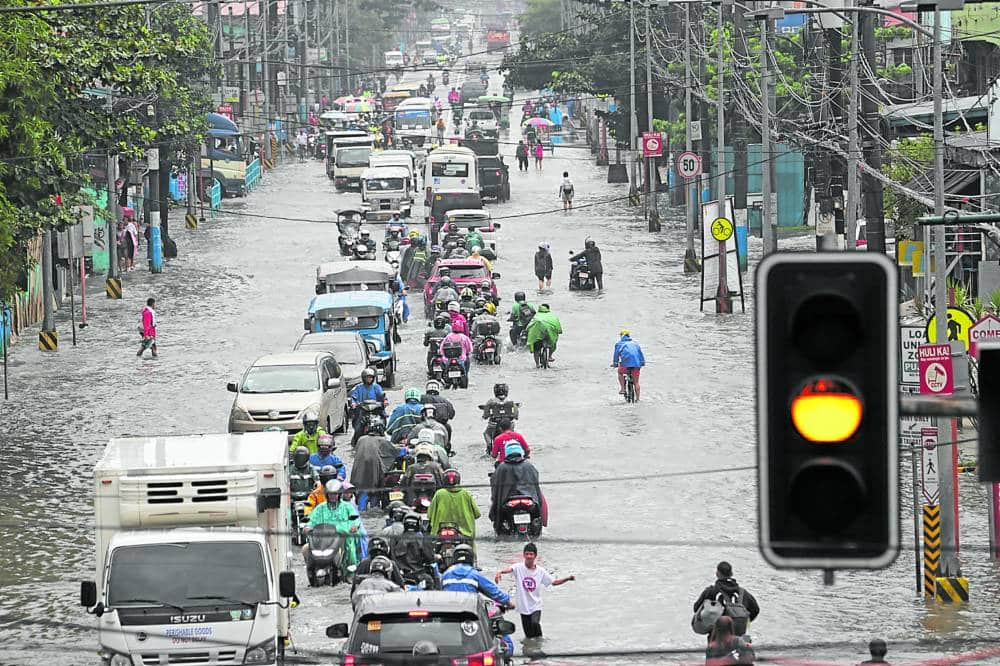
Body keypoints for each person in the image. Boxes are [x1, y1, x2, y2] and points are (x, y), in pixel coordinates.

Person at [495, 543, 574, 639]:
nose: (529, 556)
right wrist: (500, 572)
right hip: (523, 607)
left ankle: (540, 643)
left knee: (535, 623)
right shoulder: (518, 567)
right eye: (527, 554)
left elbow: (554, 582)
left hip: (536, 605)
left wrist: (568, 578)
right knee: (528, 636)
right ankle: (532, 650)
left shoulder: (541, 571)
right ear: (523, 555)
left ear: (535, 556)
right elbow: (509, 569)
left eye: (531, 554)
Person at [303, 480, 364, 578]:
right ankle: (311, 575)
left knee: (350, 550)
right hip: (322, 539)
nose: (333, 496)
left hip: (342, 538)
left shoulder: (347, 507)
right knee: (306, 549)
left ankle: (350, 575)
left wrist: (354, 526)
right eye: (330, 494)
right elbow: (312, 520)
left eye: (335, 494)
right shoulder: (320, 508)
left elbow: (355, 519)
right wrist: (307, 527)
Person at [692, 561, 760, 637]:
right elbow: (756, 610)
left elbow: (696, 608)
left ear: (717, 573)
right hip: (737, 638)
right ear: (731, 574)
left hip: (716, 639)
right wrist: (743, 621)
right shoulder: (743, 593)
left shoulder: (711, 591)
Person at [490, 443, 543, 530]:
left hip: (507, 501)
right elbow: (535, 484)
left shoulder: (501, 468)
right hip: (529, 500)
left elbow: (495, 489)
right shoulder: (529, 466)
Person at [442, 545, 511, 606]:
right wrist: (508, 602)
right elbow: (492, 590)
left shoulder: (446, 574)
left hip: (449, 612)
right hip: (469, 612)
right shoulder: (474, 574)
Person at [428, 469, 480, 539]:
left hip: (440, 532)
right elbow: (477, 514)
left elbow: (430, 514)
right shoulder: (466, 494)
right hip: (465, 533)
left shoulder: (439, 494)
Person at [349, 368, 388, 443]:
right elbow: (353, 397)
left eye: (371, 377)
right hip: (362, 411)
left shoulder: (376, 387)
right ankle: (356, 441)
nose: (369, 379)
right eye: (367, 377)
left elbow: (382, 395)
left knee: (381, 423)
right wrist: (353, 403)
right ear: (364, 378)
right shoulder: (358, 387)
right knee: (358, 426)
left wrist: (385, 401)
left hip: (375, 411)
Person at [612, 329, 646, 401]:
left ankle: (623, 389)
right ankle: (638, 399)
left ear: (621, 336)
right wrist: (642, 362)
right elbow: (640, 354)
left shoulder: (619, 344)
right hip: (636, 364)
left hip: (625, 364)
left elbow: (616, 355)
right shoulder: (635, 344)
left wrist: (615, 364)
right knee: (636, 382)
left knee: (620, 372)